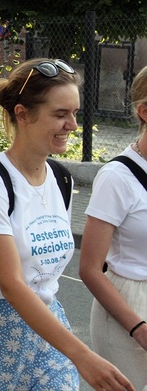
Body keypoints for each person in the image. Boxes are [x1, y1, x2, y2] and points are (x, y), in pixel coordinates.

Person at [0, 58, 133, 390]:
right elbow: (13, 286)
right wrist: (83, 355)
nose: (72, 124)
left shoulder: (60, 179)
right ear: (22, 114)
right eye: (60, 114)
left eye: (74, 113)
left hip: (48, 334)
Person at [80, 65, 147, 388]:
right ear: (144, 111)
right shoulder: (117, 177)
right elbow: (90, 269)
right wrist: (139, 328)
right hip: (127, 309)